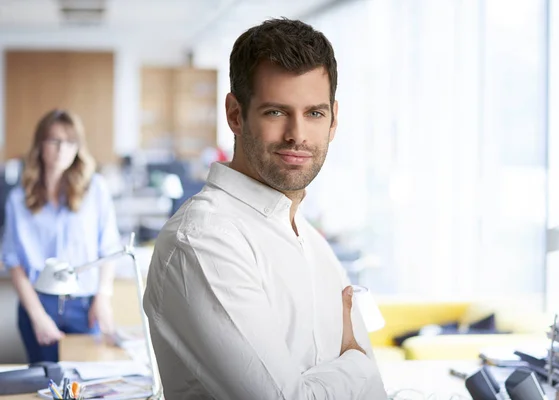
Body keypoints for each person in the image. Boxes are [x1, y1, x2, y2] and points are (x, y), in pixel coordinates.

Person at [143, 18, 387, 399]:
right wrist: (357, 362)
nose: (298, 134)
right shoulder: (204, 241)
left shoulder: (312, 243)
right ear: (235, 114)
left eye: (314, 113)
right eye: (276, 112)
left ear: (334, 119)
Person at [1, 109, 121, 363]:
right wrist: (37, 316)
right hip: (38, 304)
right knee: (46, 386)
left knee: (87, 384)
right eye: (54, 140)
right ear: (40, 145)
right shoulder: (18, 200)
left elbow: (109, 248)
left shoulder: (95, 189)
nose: (62, 149)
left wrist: (103, 297)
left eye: (70, 142)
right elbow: (14, 263)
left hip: (85, 306)